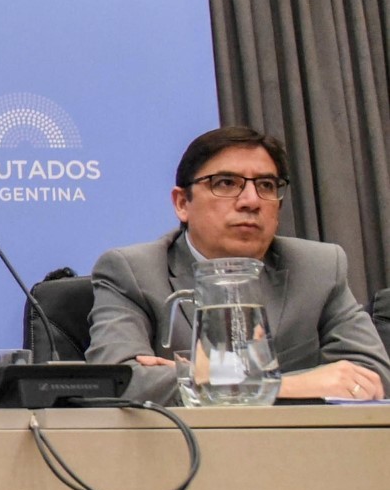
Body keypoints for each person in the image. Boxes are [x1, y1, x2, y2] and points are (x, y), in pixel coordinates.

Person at [86, 126, 390, 403]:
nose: (251, 201)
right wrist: (278, 385)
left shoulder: (318, 268)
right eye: (226, 183)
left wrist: (204, 380)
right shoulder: (133, 272)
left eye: (266, 185)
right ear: (182, 203)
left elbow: (372, 375)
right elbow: (117, 381)